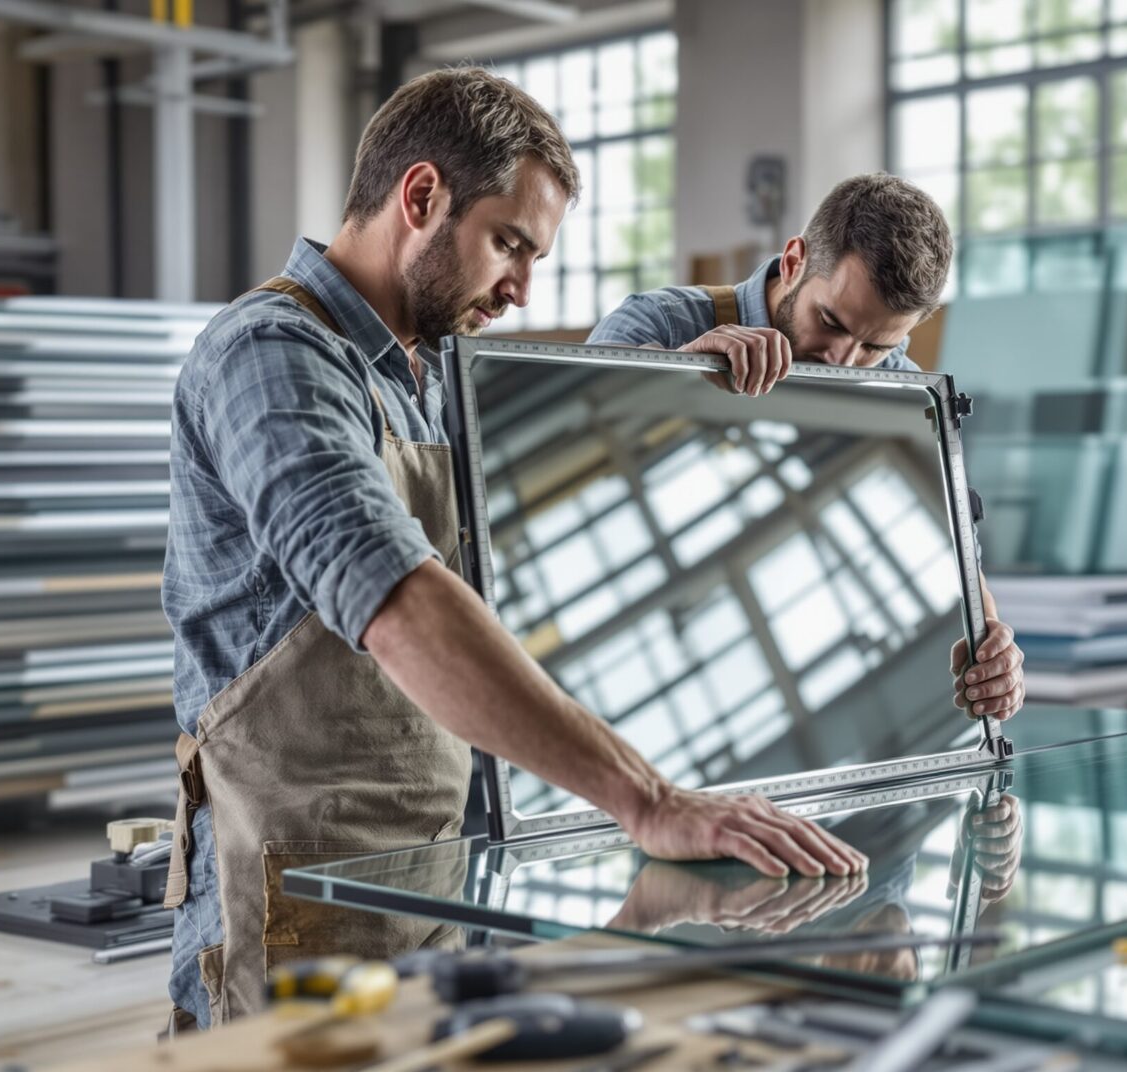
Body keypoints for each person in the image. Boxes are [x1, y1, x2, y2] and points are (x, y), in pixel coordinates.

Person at [159, 67, 864, 1031]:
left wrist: (655, 392)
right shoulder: (272, 355)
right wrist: (646, 801)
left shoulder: (427, 372)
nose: (525, 288)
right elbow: (396, 599)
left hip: (430, 885)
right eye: (511, 243)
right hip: (292, 905)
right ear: (420, 197)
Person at [588, 173, 1027, 723]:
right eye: (832, 322)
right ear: (794, 260)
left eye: (875, 345)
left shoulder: (906, 396)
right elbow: (586, 468)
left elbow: (954, 554)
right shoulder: (658, 323)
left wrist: (992, 651)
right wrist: (680, 371)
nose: (844, 360)